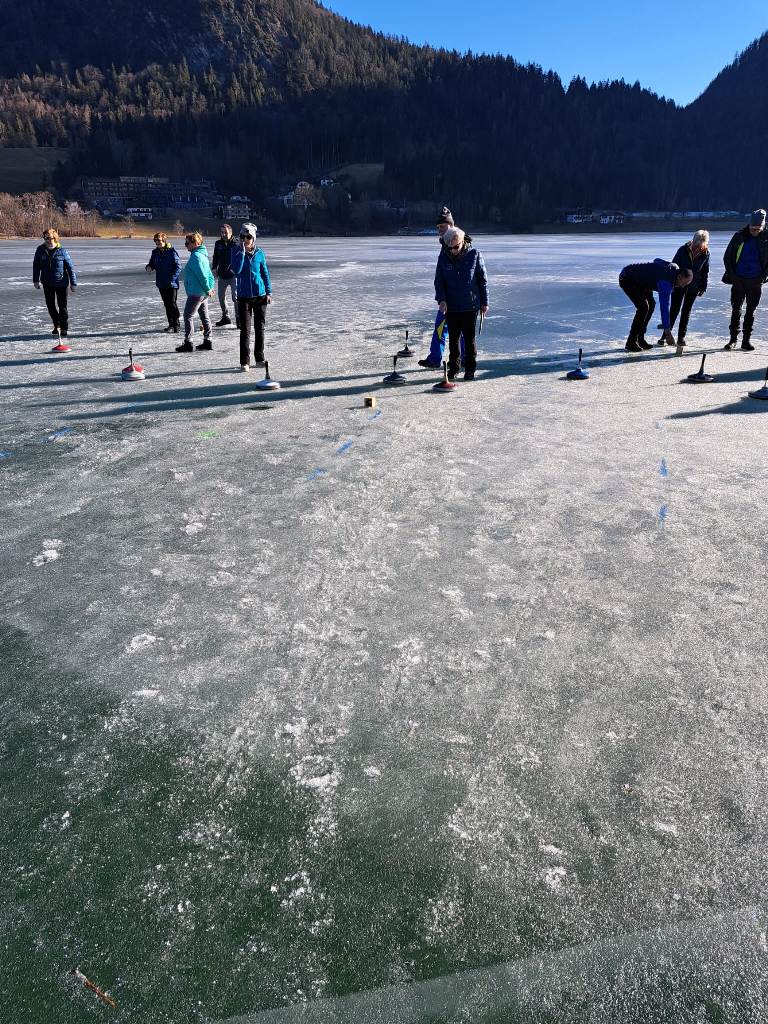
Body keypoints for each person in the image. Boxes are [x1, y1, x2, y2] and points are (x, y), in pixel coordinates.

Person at [434, 226, 489, 381]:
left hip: (470, 305)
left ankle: (470, 369)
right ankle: (454, 367)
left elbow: (482, 280)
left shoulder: (474, 254)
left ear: (462, 242)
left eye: (456, 247)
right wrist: (442, 299)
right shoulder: (443, 257)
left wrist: (484, 302)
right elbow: (439, 281)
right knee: (453, 339)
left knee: (469, 340)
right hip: (451, 306)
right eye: (450, 248)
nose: (453, 251)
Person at [419, 206, 467, 370]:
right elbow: (439, 276)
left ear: (451, 225)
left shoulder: (463, 246)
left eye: (442, 226)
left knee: (462, 331)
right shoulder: (444, 246)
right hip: (447, 299)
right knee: (440, 327)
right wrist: (441, 298)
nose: (439, 230)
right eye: (438, 227)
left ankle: (465, 358)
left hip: (462, 300)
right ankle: (434, 358)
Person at [618, 259, 693, 352]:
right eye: (684, 283)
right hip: (627, 278)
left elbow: (657, 260)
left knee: (651, 305)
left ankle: (640, 338)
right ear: (680, 276)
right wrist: (667, 333)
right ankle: (631, 342)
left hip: (642, 282)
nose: (682, 286)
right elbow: (664, 307)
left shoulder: (674, 267)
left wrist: (652, 273)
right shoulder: (666, 283)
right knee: (643, 308)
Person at [722, 209, 768, 351]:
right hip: (739, 280)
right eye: (752, 228)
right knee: (736, 310)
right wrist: (733, 277)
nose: (755, 231)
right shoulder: (739, 236)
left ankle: (746, 340)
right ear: (749, 225)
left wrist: (763, 277)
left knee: (750, 311)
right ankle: (733, 340)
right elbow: (727, 257)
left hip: (756, 281)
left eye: (758, 229)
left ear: (763, 226)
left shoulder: (766, 238)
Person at [229, 222, 272, 372]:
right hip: (244, 297)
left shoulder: (259, 253)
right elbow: (236, 270)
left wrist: (269, 292)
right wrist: (241, 252)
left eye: (248, 237)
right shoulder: (235, 251)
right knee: (245, 330)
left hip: (260, 296)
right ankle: (244, 362)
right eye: (242, 236)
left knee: (260, 328)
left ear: (253, 238)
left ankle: (259, 358)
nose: (245, 240)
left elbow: (265, 273)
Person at [657, 230, 710, 347]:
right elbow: (673, 267)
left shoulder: (706, 253)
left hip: (694, 286)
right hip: (679, 284)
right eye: (695, 245)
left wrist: (703, 287)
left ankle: (681, 338)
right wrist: (672, 282)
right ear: (693, 241)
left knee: (686, 312)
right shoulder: (683, 250)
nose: (697, 248)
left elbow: (705, 271)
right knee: (674, 310)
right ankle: (665, 336)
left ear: (704, 244)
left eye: (700, 246)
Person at [32, 227, 77, 337]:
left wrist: (73, 283)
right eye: (46, 238)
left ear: (55, 238)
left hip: (61, 283)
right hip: (47, 283)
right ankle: (57, 325)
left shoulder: (62, 251)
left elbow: (70, 267)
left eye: (50, 238)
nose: (48, 240)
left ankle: (64, 328)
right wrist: (36, 280)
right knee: (50, 306)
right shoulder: (40, 250)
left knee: (62, 307)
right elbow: (36, 266)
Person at [176, 231, 215, 353]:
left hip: (196, 292)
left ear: (195, 243)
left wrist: (208, 288)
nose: (185, 245)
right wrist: (210, 288)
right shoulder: (202, 255)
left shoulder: (196, 257)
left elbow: (203, 275)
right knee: (204, 316)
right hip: (202, 292)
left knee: (188, 316)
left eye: (187, 243)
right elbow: (210, 274)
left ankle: (188, 343)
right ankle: (208, 341)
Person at [145, 231, 181, 332]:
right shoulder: (155, 252)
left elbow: (178, 267)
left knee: (172, 303)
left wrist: (172, 279)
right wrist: (148, 267)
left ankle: (176, 324)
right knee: (166, 304)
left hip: (172, 284)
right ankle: (171, 324)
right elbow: (152, 263)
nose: (158, 243)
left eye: (159, 241)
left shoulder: (172, 252)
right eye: (156, 242)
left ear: (164, 240)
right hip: (161, 283)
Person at [211, 223, 239, 328]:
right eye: (222, 232)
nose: (223, 234)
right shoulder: (218, 243)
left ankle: (239, 319)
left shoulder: (237, 243)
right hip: (222, 275)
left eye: (225, 232)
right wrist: (214, 268)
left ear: (231, 232)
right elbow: (215, 257)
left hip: (233, 275)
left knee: (235, 298)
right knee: (221, 298)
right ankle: (225, 318)